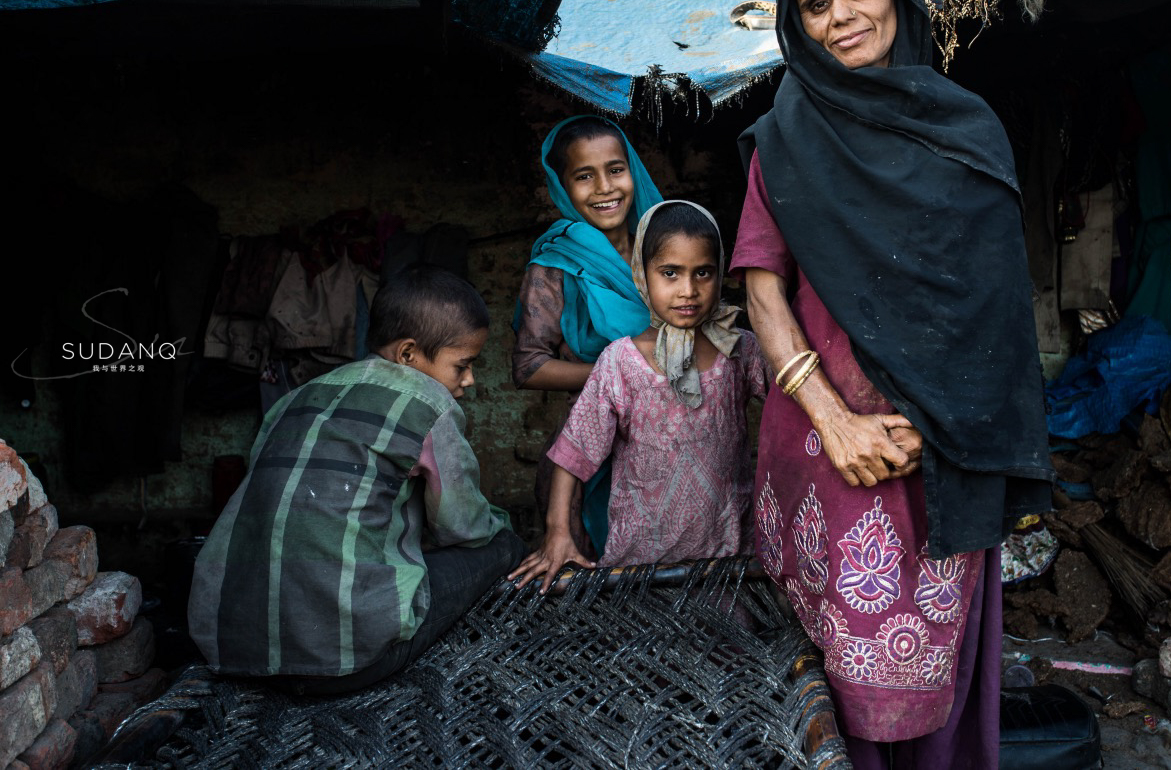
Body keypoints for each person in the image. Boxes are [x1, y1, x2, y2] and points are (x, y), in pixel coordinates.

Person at [732, 0, 1052, 769]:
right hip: (825, 450)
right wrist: (838, 421)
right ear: (797, 26)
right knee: (830, 695)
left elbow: (995, 309)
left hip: (941, 455)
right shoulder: (784, 138)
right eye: (815, 3)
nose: (840, 15)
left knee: (933, 689)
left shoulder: (966, 128)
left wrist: (940, 423)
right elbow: (763, 290)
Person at [189, 264, 525, 695]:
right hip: (350, 659)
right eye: (463, 365)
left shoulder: (296, 397)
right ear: (408, 355)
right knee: (502, 545)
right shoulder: (428, 404)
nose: (470, 380)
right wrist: (498, 526)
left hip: (238, 648)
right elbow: (463, 526)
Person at [511, 201, 770, 592]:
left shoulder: (740, 349)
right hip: (640, 562)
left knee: (724, 648)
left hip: (729, 558)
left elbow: (790, 412)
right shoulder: (620, 362)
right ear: (641, 276)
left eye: (703, 272)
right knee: (646, 648)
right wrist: (557, 533)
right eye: (670, 273)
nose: (688, 290)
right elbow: (572, 455)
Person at [512, 116, 663, 563]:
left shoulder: (663, 251)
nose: (605, 188)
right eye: (584, 176)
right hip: (588, 460)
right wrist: (624, 369)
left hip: (668, 447)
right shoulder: (555, 264)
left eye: (616, 169)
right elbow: (527, 366)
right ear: (561, 186)